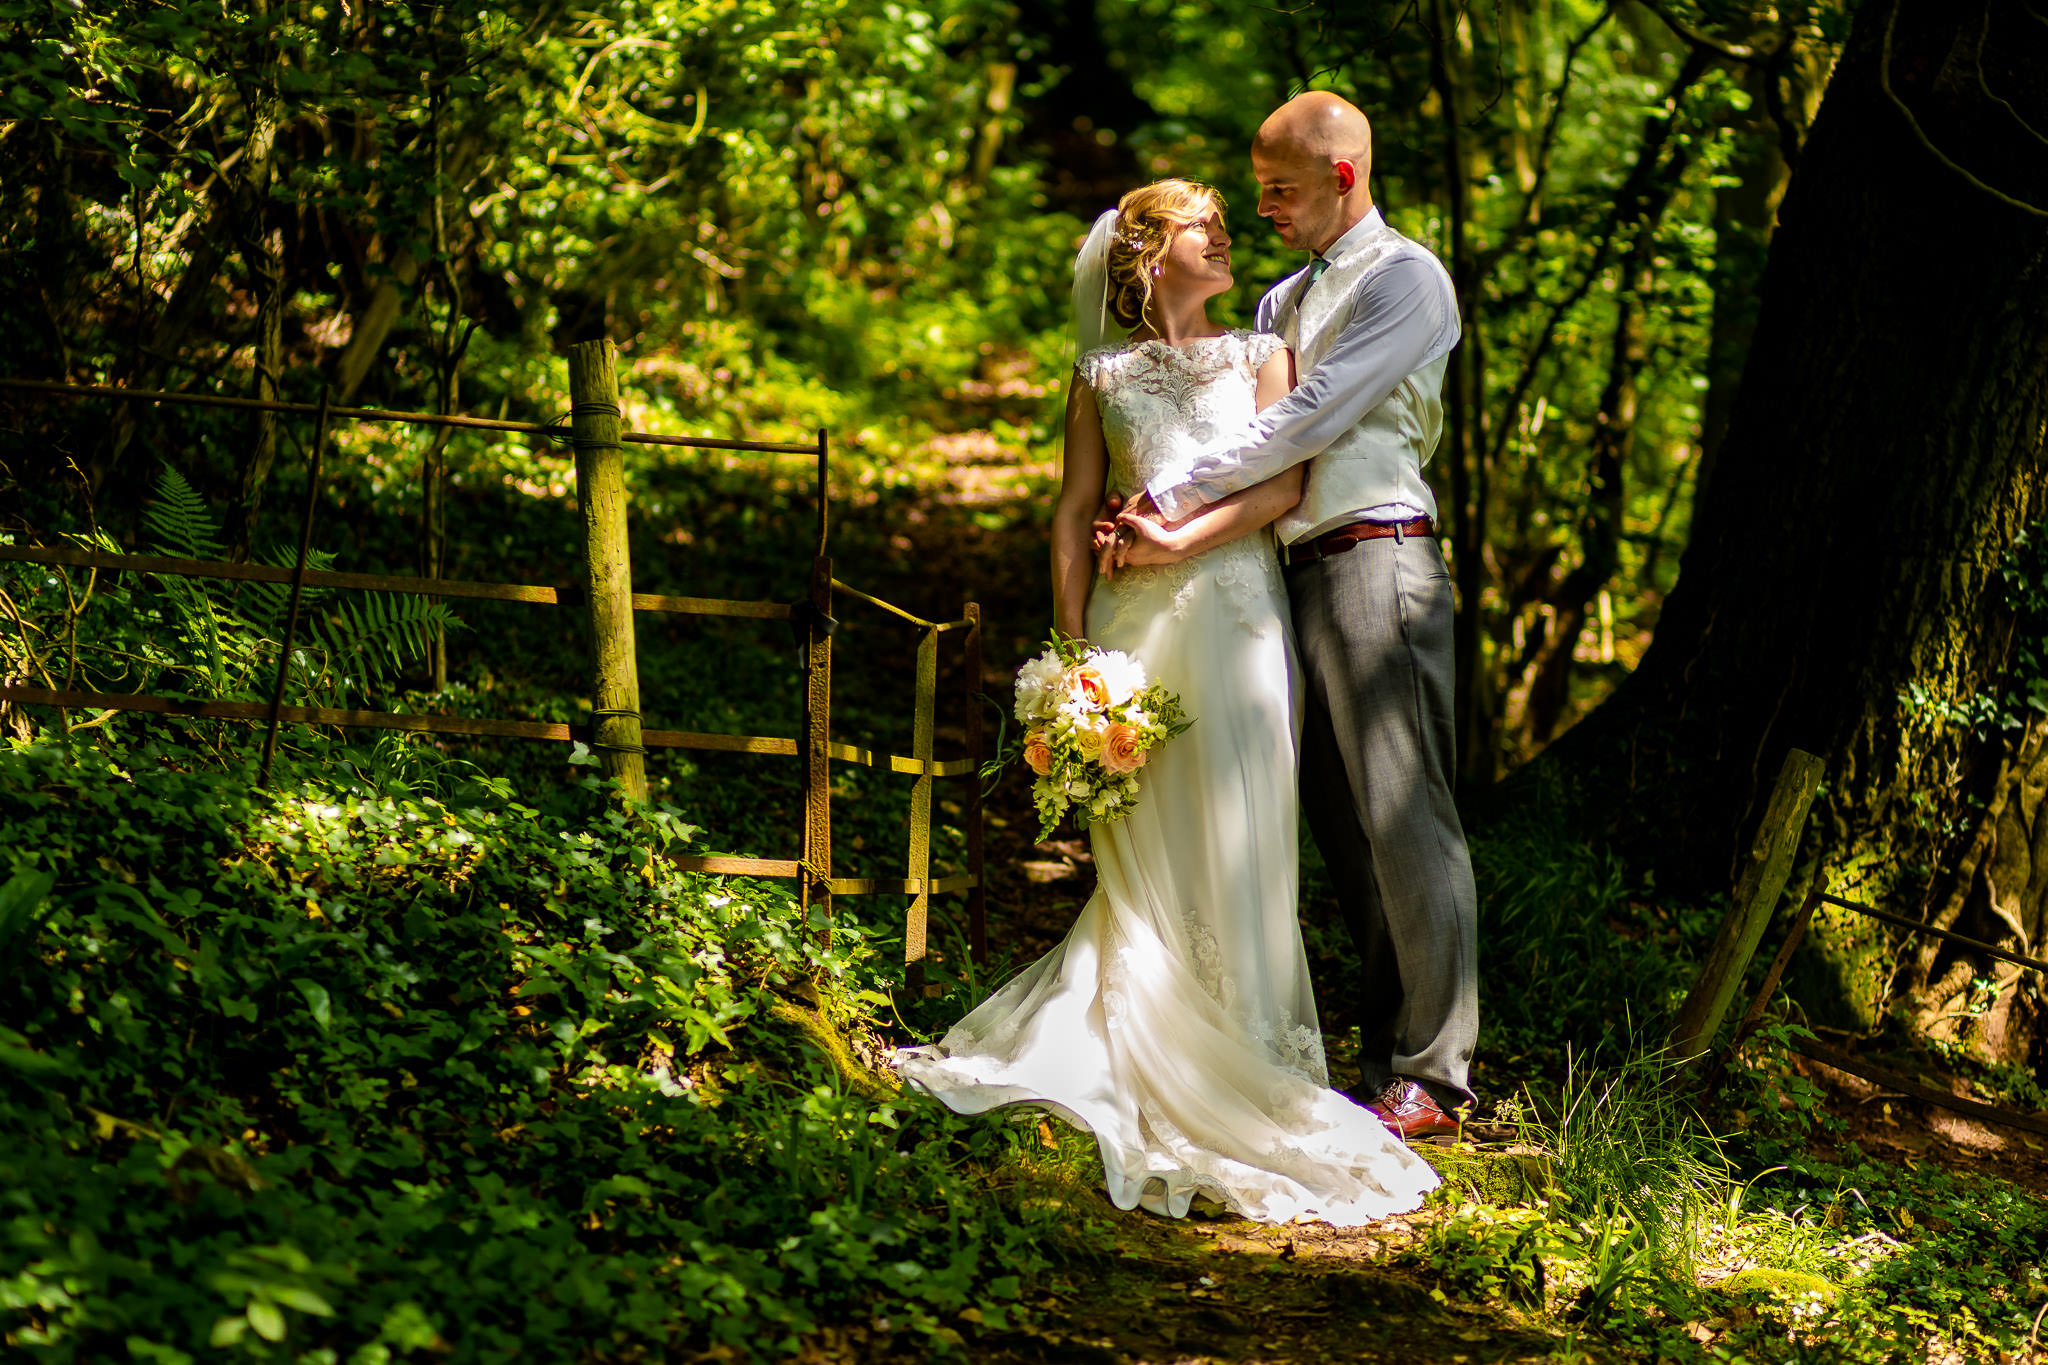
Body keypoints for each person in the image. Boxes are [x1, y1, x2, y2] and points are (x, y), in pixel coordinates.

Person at [889, 178, 1438, 1226]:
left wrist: (1176, 539)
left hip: (1233, 613)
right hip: (1126, 623)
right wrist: (1070, 647)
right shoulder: (1099, 375)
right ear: (1146, 256)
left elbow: (1282, 485)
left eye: (1230, 228)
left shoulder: (1256, 355)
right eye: (1205, 229)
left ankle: (1241, 1042)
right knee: (1140, 834)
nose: (1226, 242)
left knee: (1238, 815)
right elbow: (1069, 510)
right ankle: (1132, 1029)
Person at [1114, 92, 1479, 1143]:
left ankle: (1437, 1073)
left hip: (1378, 554)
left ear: (1344, 176)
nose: (1261, 207)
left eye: (1278, 188)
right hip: (1288, 576)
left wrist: (1174, 495)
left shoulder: (1404, 279)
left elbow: (1304, 422)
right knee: (1340, 823)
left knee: (1405, 815)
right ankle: (1382, 1065)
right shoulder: (1277, 305)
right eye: (1258, 188)